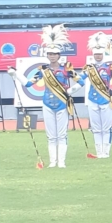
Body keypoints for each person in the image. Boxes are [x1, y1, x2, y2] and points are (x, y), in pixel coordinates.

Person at [35, 35, 76, 169]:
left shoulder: (66, 68)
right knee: (51, 135)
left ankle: (61, 162)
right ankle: (53, 161)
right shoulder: (43, 70)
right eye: (50, 54)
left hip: (62, 104)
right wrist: (15, 75)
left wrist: (70, 91)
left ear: (59, 55)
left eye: (54, 54)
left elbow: (80, 81)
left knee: (62, 134)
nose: (52, 56)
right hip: (47, 103)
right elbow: (29, 84)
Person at [84, 32, 112, 160]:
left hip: (105, 100)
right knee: (95, 128)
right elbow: (79, 80)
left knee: (106, 128)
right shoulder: (89, 68)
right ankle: (98, 151)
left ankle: (106, 152)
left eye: (100, 54)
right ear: (93, 55)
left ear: (103, 54)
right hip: (92, 100)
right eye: (96, 55)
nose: (98, 56)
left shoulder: (110, 67)